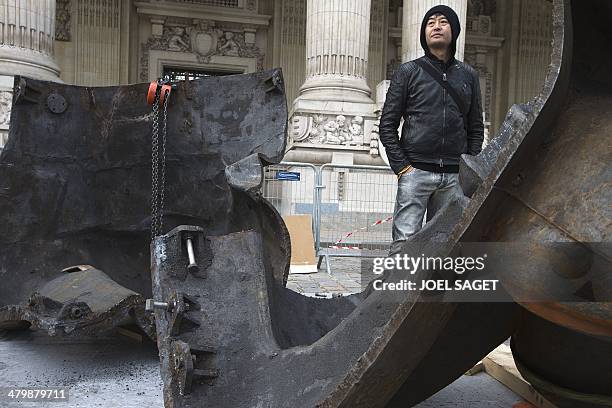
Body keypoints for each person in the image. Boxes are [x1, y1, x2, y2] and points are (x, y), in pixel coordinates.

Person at [379, 5, 484, 243]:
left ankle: (434, 282)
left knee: (444, 243)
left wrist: (467, 167)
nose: (436, 27)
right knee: (404, 241)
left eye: (443, 22)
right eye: (430, 23)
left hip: (453, 176)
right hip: (415, 171)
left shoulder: (469, 75)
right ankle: (401, 282)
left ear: (454, 31)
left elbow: (475, 127)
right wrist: (403, 167)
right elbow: (387, 124)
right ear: (424, 33)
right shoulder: (408, 71)